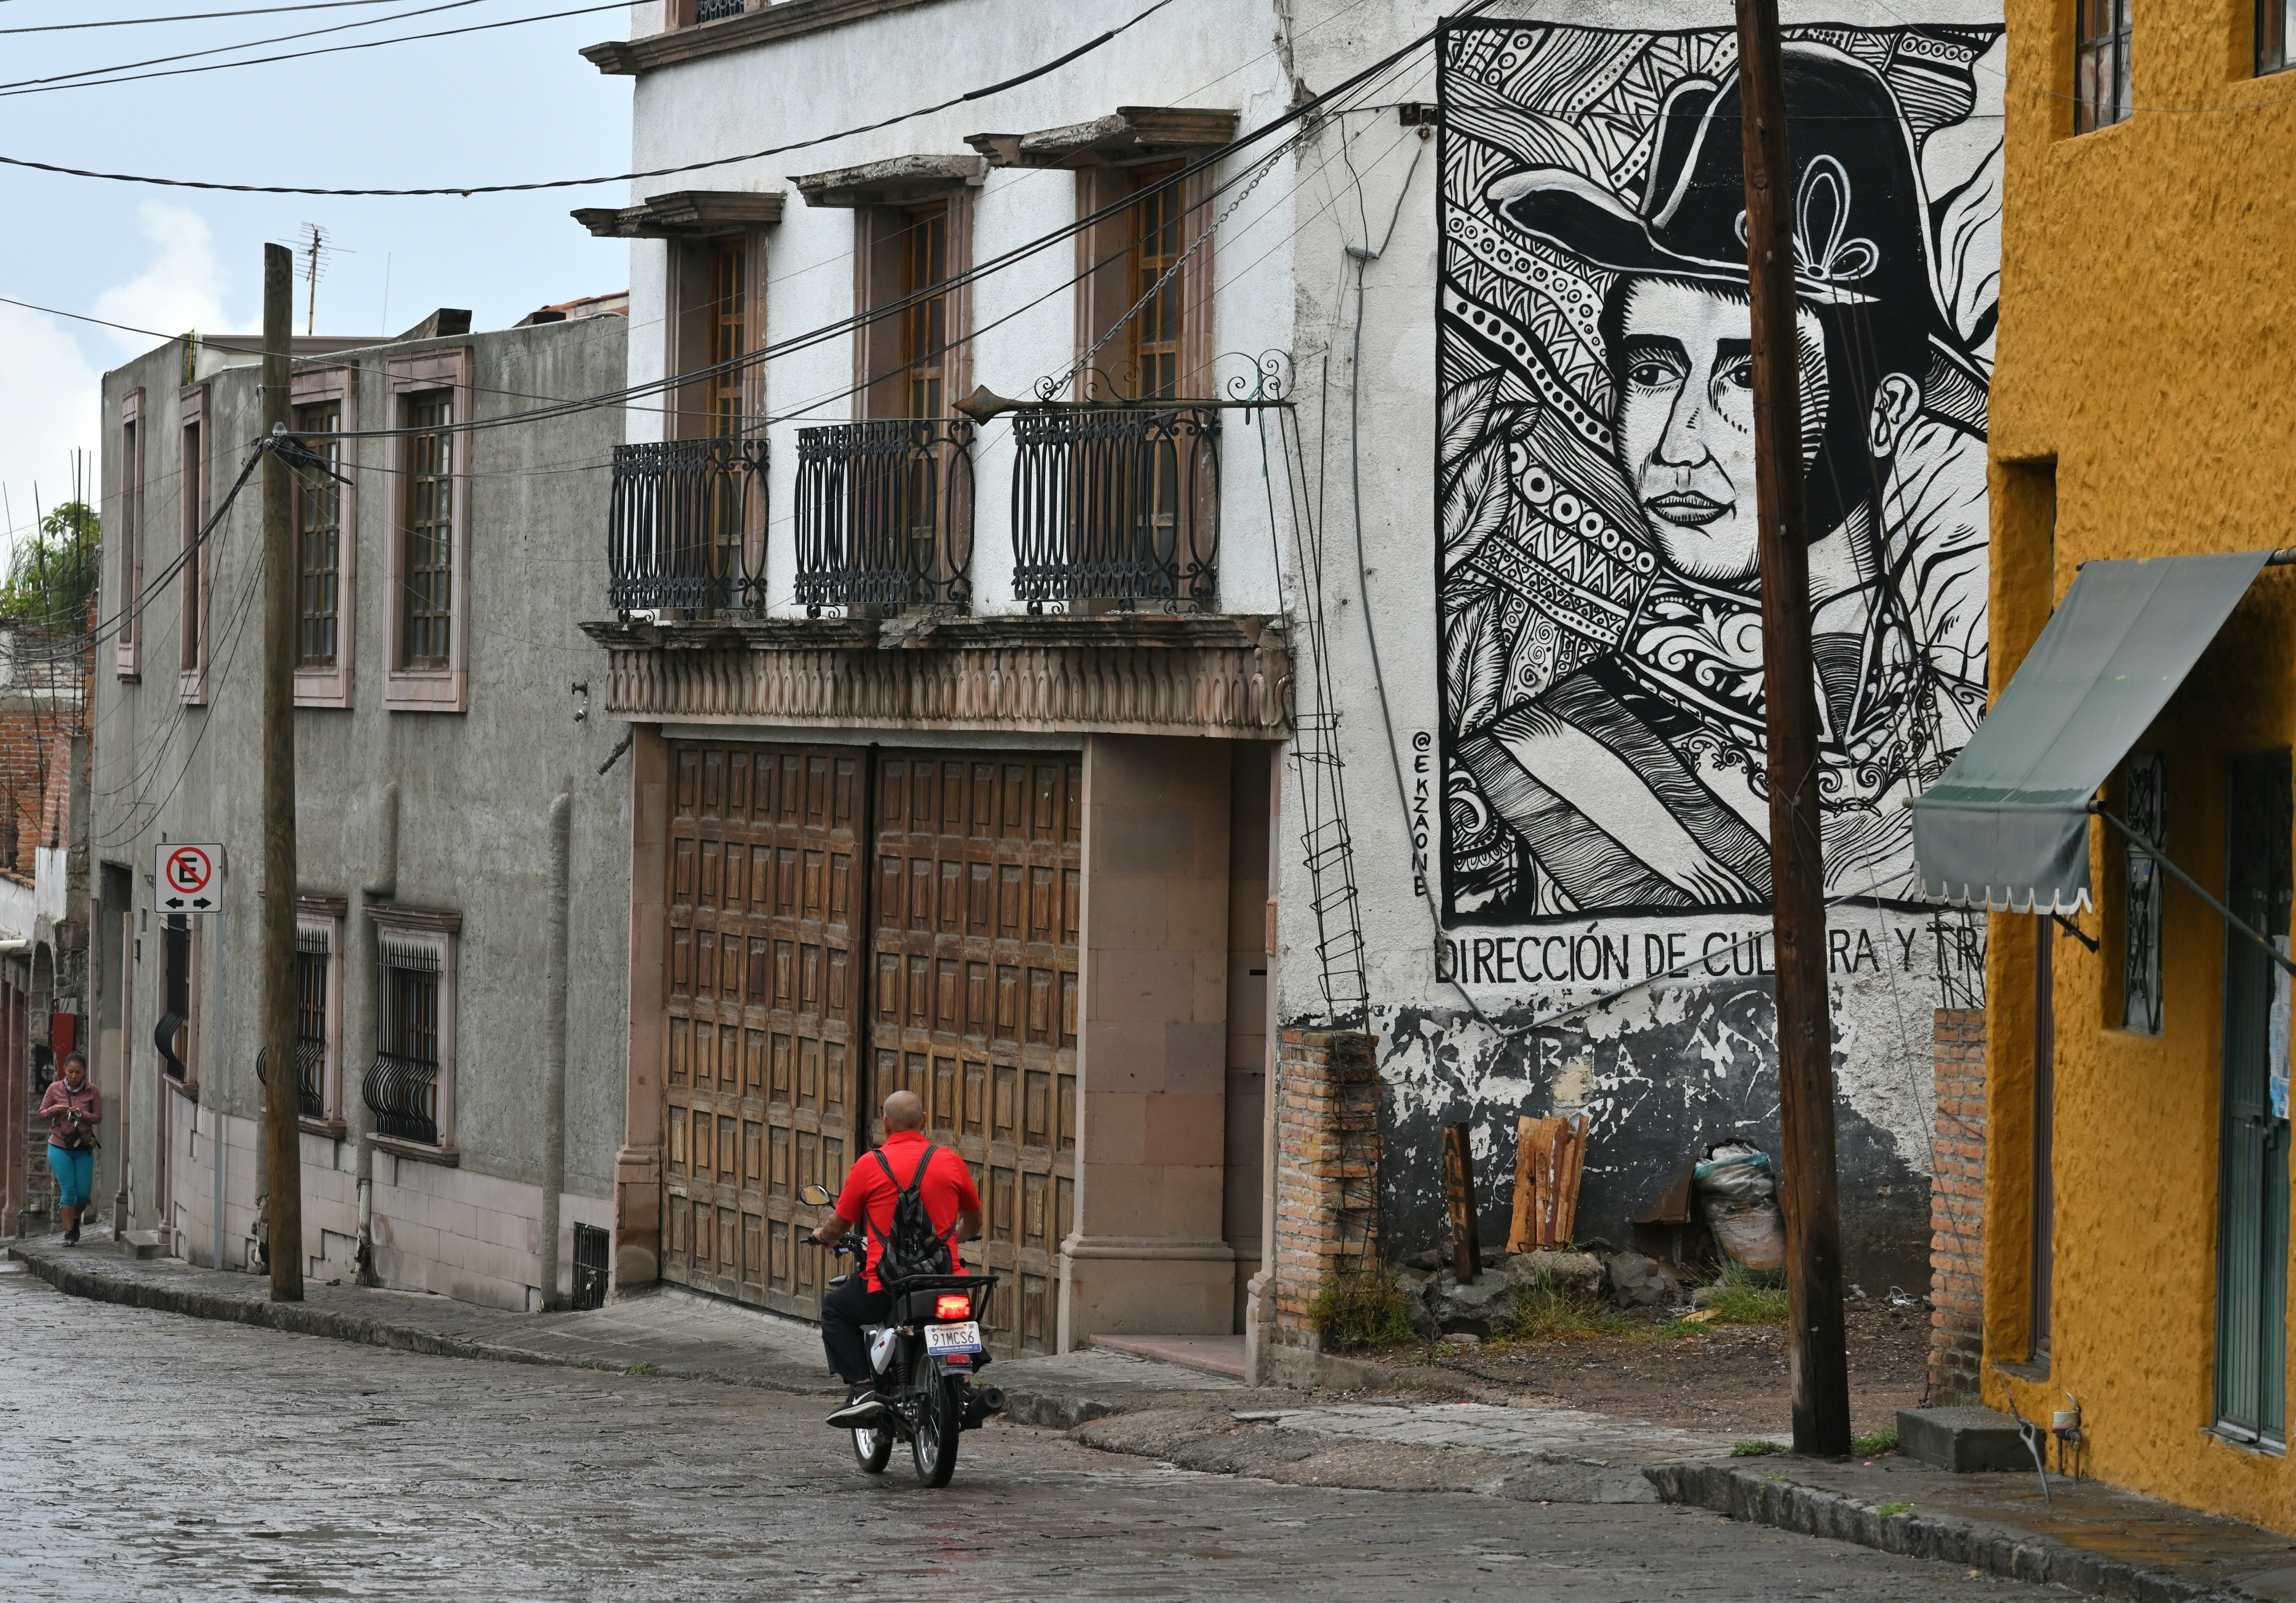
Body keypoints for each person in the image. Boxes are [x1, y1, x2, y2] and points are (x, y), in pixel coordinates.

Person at [1451, 39, 1989, 913]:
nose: (1678, 443)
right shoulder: (1527, 783)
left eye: (1747, 374)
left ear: (1886, 410)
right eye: (1653, 371)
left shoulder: (1984, 747)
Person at [809, 1088, 980, 1428]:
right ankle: (962, 1382)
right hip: (946, 1280)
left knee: (834, 1310)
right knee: (960, 1311)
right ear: (926, 1122)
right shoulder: (949, 1160)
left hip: (888, 1283)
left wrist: (823, 1237)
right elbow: (974, 1222)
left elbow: (839, 1224)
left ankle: (862, 1389)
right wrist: (951, 1241)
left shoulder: (869, 1165)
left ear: (885, 1125)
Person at [40, 1050, 101, 1246]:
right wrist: (54, 1110)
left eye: (79, 1073)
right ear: (64, 1071)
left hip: (82, 1148)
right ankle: (68, 1235)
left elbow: (98, 1117)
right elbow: (42, 1114)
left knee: (83, 1195)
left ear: (84, 1073)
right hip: (59, 1146)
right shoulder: (54, 1089)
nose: (74, 1077)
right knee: (69, 1190)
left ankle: (75, 1221)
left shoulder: (92, 1092)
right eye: (71, 1072)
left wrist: (83, 1115)